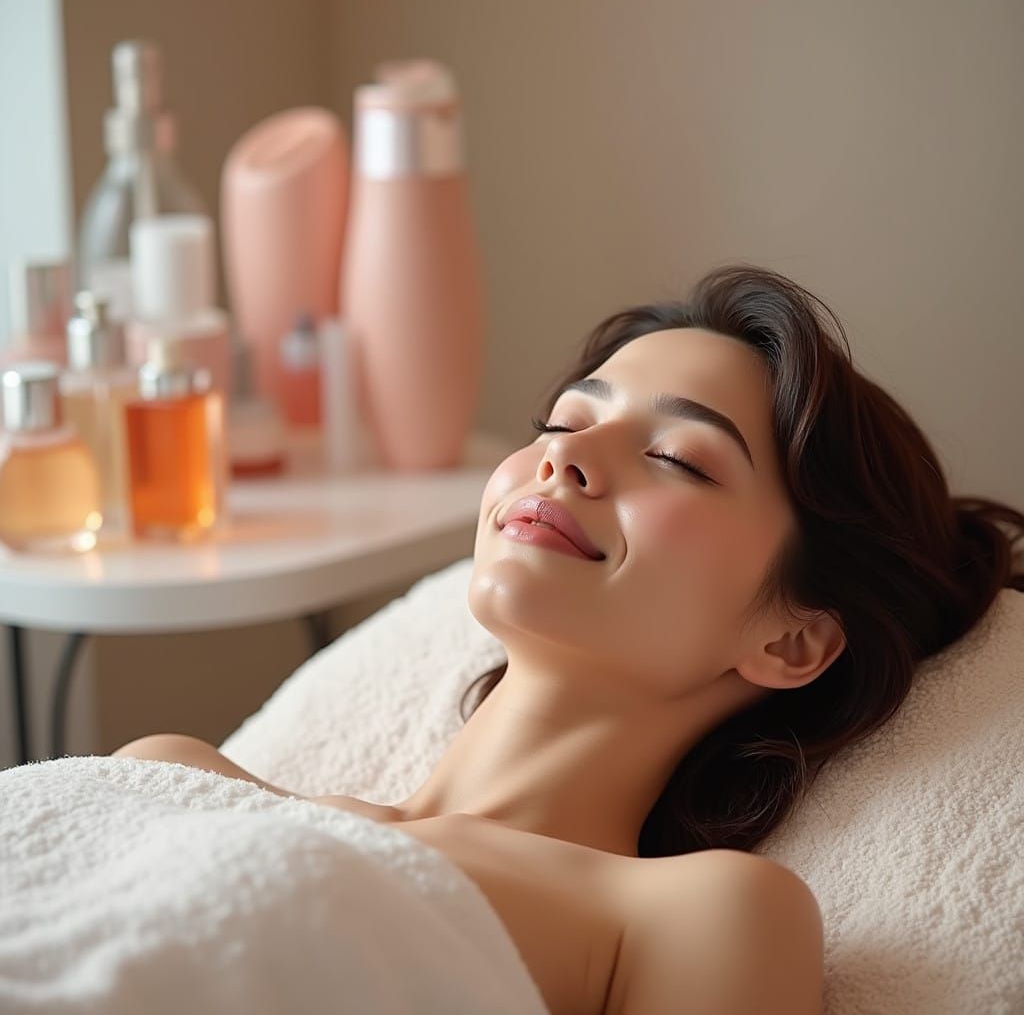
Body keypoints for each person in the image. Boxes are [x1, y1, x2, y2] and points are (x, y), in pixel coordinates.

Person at [114, 263, 1024, 1015]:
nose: (562, 457)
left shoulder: (693, 920)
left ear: (791, 641)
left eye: (675, 457)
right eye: (566, 420)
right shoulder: (177, 775)